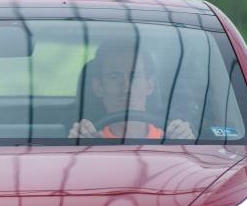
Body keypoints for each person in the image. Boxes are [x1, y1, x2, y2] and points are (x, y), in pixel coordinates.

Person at [68, 42, 196, 140]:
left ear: (150, 86)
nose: (126, 88)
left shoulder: (172, 139)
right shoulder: (87, 139)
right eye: (115, 77)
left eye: (134, 77)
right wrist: (75, 147)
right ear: (98, 87)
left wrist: (188, 142)